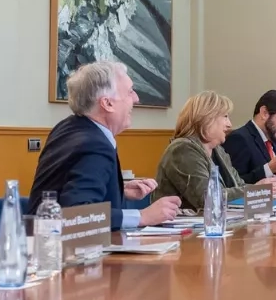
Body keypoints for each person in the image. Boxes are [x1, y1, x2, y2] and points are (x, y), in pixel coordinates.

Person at [29, 61, 180, 231]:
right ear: (107, 103)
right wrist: (142, 216)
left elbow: (66, 189)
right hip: (55, 245)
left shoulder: (67, 128)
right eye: (130, 92)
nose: (136, 98)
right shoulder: (94, 145)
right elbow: (76, 215)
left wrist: (117, 189)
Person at [154, 91, 276, 212]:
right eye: (225, 116)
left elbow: (238, 185)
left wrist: (263, 188)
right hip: (185, 228)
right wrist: (254, 190)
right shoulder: (182, 149)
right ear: (206, 118)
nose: (229, 124)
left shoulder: (218, 150)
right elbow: (206, 198)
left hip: (218, 224)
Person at [223, 90, 276, 184]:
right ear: (264, 113)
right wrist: (269, 169)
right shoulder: (238, 138)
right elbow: (232, 183)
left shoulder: (273, 142)